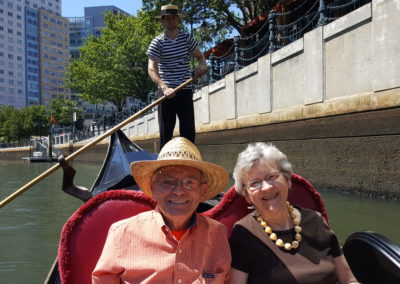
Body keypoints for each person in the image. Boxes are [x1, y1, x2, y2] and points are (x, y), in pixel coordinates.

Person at [92, 137, 231, 283]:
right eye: (168, 182)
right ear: (153, 188)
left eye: (189, 183)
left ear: (202, 190)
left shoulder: (218, 234)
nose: (178, 191)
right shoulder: (122, 233)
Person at [229, 142, 359, 284]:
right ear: (248, 196)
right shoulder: (244, 233)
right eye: (255, 183)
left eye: (271, 177)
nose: (266, 187)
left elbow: (349, 280)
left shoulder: (316, 220)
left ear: (287, 180)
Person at [147, 4, 208, 149]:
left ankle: (188, 161)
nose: (170, 21)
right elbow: (151, 68)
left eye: (173, 18)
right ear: (163, 21)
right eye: (167, 18)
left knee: (188, 132)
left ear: (177, 20)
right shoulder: (157, 42)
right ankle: (163, 164)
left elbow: (201, 57)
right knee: (166, 132)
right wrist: (164, 87)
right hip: (165, 92)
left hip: (185, 89)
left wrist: (202, 66)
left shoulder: (187, 39)